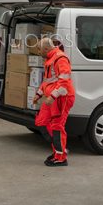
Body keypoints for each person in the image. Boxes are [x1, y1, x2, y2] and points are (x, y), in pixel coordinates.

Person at [32, 37, 75, 167]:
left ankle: (61, 157)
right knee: (41, 122)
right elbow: (47, 81)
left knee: (57, 126)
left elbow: (64, 82)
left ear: (45, 49)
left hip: (61, 97)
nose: (38, 52)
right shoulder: (50, 59)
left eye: (39, 49)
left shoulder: (60, 59)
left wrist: (53, 96)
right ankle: (58, 150)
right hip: (52, 97)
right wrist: (39, 94)